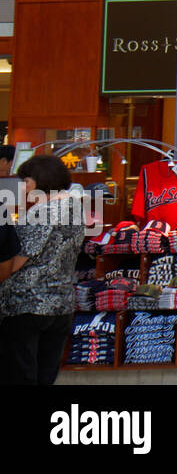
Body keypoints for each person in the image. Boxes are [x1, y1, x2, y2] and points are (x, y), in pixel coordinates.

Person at [0, 154, 88, 385]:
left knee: (21, 374)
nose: (23, 187)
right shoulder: (75, 207)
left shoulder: (42, 212)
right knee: (46, 375)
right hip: (63, 303)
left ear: (40, 180)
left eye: (26, 181)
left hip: (28, 303)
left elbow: (18, 260)